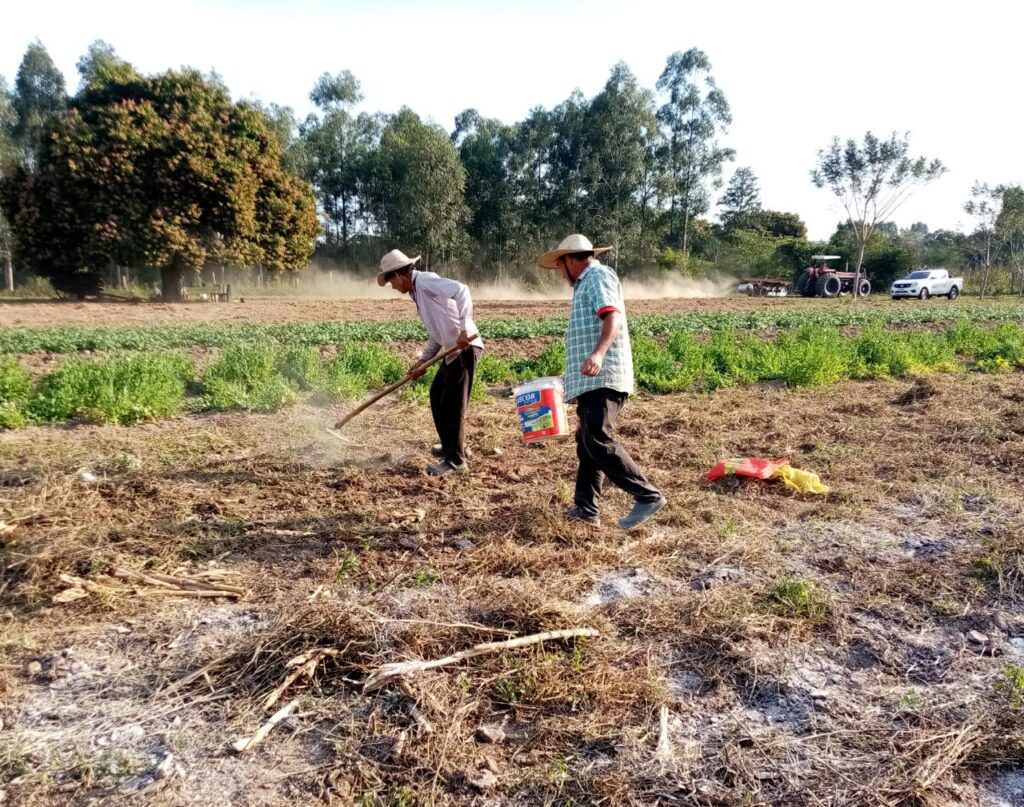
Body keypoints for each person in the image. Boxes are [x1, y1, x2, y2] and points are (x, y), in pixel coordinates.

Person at [537, 234, 666, 530]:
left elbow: (612, 318)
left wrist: (597, 354)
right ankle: (586, 509)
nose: (560, 273)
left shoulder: (597, 275)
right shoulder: (586, 283)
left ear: (571, 259)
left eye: (559, 266)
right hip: (590, 378)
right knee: (587, 443)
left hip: (604, 374)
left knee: (597, 437)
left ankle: (647, 495)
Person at [377, 249, 484, 476]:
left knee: (453, 404)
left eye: (391, 282)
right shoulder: (417, 294)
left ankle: (456, 462)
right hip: (451, 351)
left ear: (399, 275)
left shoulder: (425, 281)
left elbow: (461, 290)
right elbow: (437, 332)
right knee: (437, 395)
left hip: (465, 348)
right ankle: (452, 446)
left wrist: (465, 329)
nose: (393, 287)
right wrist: (423, 360)